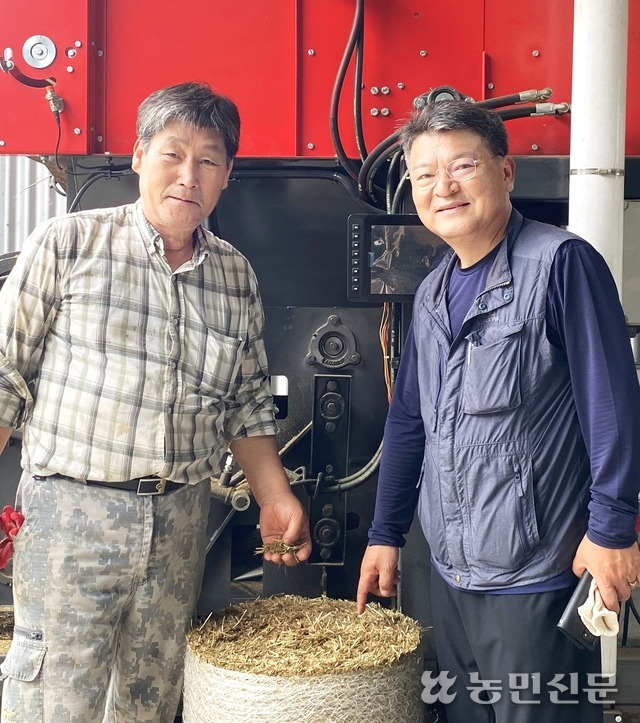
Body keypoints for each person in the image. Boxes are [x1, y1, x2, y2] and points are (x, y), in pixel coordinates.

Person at [0, 81, 311, 722]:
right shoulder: (68, 245)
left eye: (208, 160)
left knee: (149, 697)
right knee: (53, 697)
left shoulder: (234, 275)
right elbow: (5, 374)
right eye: (172, 154)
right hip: (71, 515)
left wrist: (277, 497)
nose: (187, 176)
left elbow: (247, 403)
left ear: (227, 174)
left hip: (178, 520)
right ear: (139, 156)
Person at [356, 100, 640, 722]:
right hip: (450, 577)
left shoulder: (561, 265)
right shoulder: (433, 289)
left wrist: (614, 532)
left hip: (536, 576)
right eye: (424, 175)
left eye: (462, 166)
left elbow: (612, 407)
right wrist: (385, 534)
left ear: (505, 172)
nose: (443, 187)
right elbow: (411, 422)